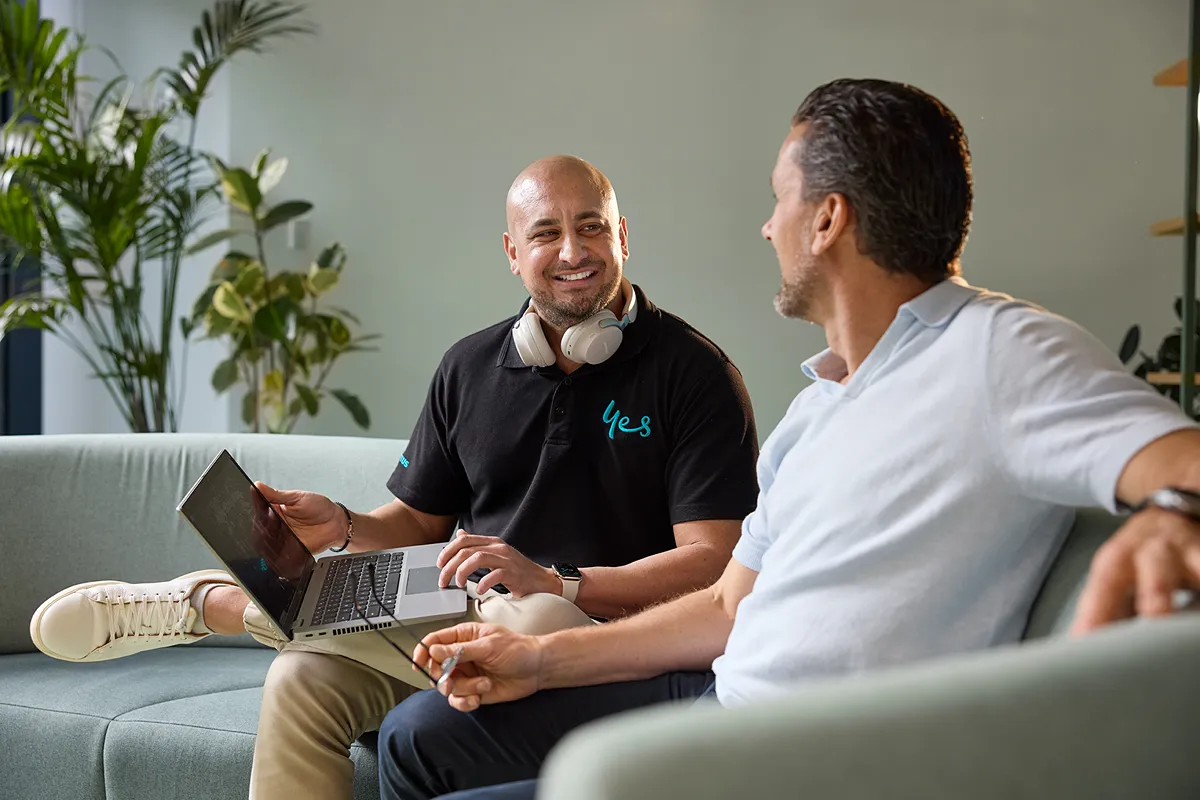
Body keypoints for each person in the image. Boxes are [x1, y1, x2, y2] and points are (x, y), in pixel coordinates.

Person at [375, 78, 1200, 800]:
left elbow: (1183, 460)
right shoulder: (823, 403)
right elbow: (730, 605)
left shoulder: (1003, 351)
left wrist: (1169, 512)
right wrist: (541, 663)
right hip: (722, 700)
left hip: (811, 751)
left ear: (829, 218)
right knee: (421, 740)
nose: (769, 228)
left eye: (780, 200)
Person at [27, 155, 761, 800]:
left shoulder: (694, 375)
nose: (573, 249)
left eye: (592, 227)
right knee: (302, 679)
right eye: (546, 233)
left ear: (622, 236)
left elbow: (712, 565)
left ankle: (219, 606)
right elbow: (413, 524)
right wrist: (343, 526)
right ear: (513, 252)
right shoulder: (469, 368)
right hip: (465, 608)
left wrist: (556, 580)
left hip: (593, 630)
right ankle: (242, 607)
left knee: (527, 614)